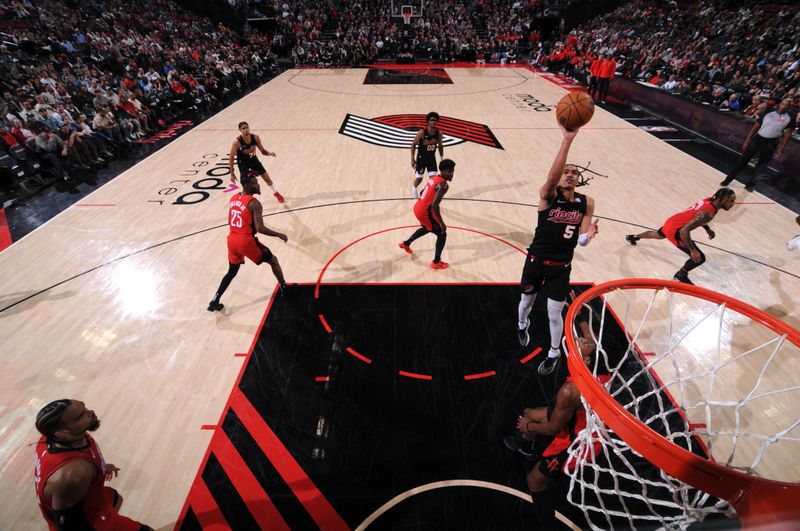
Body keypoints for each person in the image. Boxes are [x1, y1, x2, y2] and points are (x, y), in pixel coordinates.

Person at [506, 313, 609, 530]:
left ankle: (547, 526)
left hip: (577, 440)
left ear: (586, 359)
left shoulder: (570, 391)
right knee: (529, 411)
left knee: (535, 481)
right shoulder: (597, 367)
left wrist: (529, 427)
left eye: (582, 344)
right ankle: (527, 447)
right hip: (581, 415)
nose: (580, 341)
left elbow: (553, 427)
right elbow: (592, 343)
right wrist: (581, 319)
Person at [517, 125, 598, 377]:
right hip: (536, 260)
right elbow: (551, 180)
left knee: (555, 316)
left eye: (574, 172)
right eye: (566, 171)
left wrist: (589, 234)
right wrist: (567, 141)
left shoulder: (587, 202)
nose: (570, 175)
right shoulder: (548, 196)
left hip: (561, 268)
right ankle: (522, 324)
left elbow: (581, 242)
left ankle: (553, 353)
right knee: (525, 303)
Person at [34, 399, 153, 531]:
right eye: (80, 416)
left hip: (90, 501)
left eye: (85, 408)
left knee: (116, 498)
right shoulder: (74, 473)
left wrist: (103, 466)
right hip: (89, 522)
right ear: (63, 432)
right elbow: (69, 527)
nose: (90, 413)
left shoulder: (51, 439)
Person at [208, 171, 291, 312]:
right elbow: (260, 228)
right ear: (247, 185)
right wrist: (278, 234)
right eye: (255, 183)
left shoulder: (234, 198)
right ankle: (284, 288)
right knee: (273, 260)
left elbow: (230, 220)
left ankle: (215, 300)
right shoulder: (254, 203)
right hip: (246, 241)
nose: (259, 185)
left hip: (232, 240)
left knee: (231, 272)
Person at [625, 188, 736, 284]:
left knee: (658, 235)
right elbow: (684, 231)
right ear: (721, 199)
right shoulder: (708, 213)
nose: (733, 204)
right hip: (676, 230)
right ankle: (681, 275)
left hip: (673, 221)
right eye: (731, 201)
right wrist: (693, 250)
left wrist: (707, 228)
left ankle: (633, 237)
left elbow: (696, 216)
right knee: (699, 258)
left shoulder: (709, 200)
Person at [720, 98, 796, 191]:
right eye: (782, 104)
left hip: (771, 143)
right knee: (742, 160)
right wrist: (747, 139)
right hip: (758, 139)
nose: (783, 106)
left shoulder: (790, 118)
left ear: (789, 106)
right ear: (779, 104)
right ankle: (728, 180)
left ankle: (750, 185)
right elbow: (756, 125)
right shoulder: (769, 112)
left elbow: (787, 134)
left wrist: (781, 149)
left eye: (786, 105)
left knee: (761, 166)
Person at [398, 158, 456, 270]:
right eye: (450, 171)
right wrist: (442, 223)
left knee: (427, 227)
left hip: (418, 206)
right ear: (443, 171)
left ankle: (406, 243)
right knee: (442, 233)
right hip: (425, 211)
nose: (452, 174)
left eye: (452, 171)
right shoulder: (443, 185)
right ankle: (436, 262)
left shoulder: (434, 178)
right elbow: (434, 206)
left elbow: (421, 192)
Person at [228, 121, 284, 203]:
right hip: (243, 165)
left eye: (247, 127)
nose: (246, 129)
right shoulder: (237, 142)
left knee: (267, 179)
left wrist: (270, 153)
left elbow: (263, 151)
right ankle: (246, 200)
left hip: (254, 161)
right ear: (240, 130)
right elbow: (231, 157)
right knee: (247, 185)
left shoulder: (255, 138)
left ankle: (275, 192)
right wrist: (232, 173)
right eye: (243, 128)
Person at [410, 112, 444, 199]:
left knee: (433, 180)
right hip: (421, 158)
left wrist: (442, 158)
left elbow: (440, 146)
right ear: (428, 122)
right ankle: (414, 188)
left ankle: (424, 191)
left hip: (431, 158)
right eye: (432, 120)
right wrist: (412, 159)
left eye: (435, 120)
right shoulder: (422, 132)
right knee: (419, 179)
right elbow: (413, 144)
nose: (434, 122)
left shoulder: (438, 133)